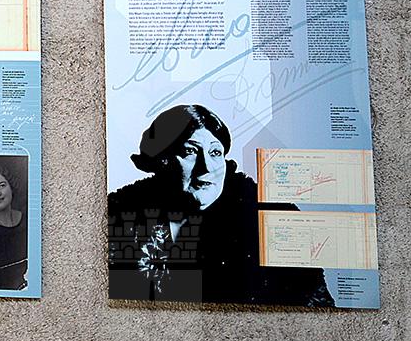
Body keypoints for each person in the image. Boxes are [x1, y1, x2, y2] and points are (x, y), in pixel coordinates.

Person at [107, 104, 333, 306]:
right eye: (190, 151)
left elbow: (312, 311)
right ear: (162, 160)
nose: (207, 167)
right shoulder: (119, 216)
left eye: (215, 153)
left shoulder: (273, 219)